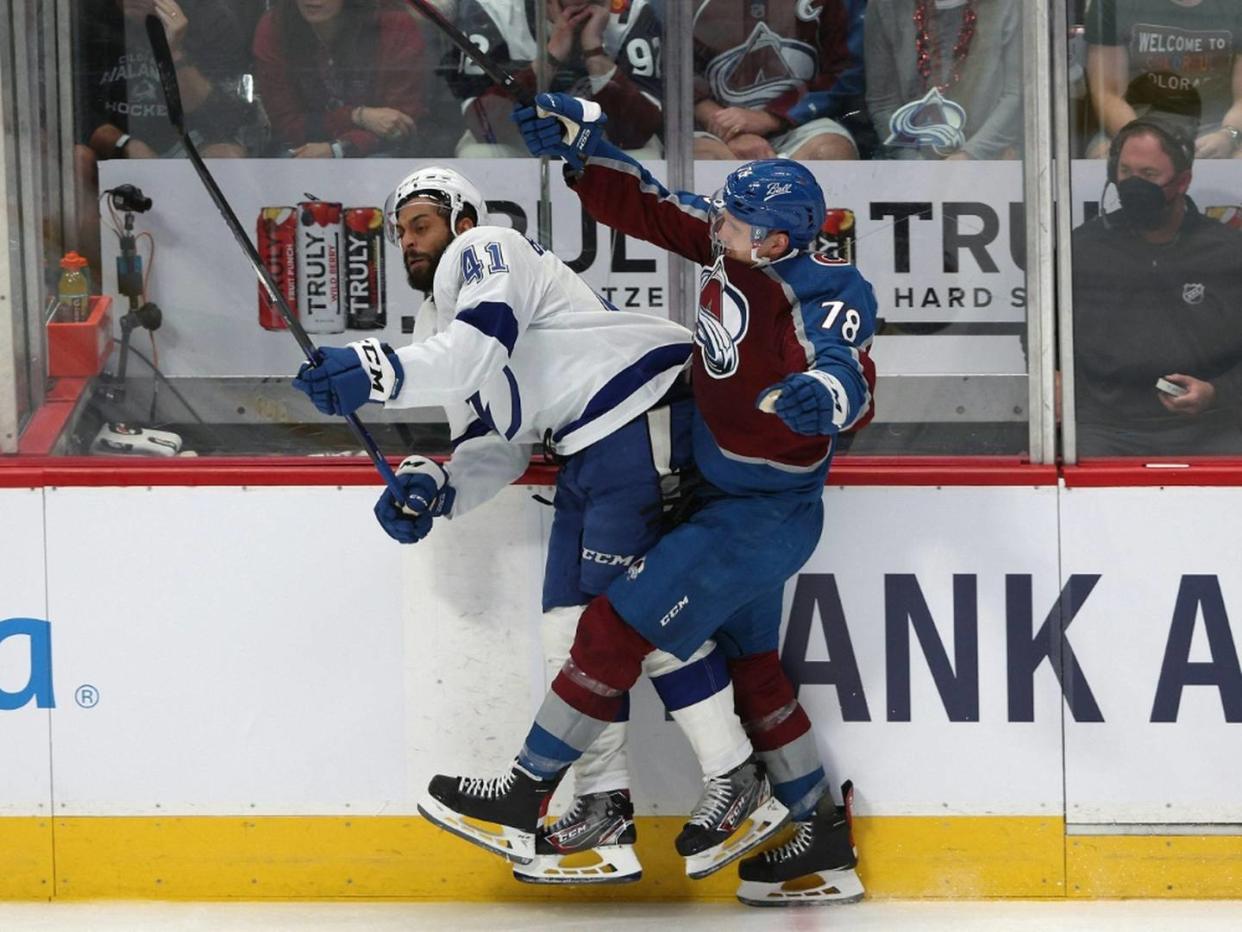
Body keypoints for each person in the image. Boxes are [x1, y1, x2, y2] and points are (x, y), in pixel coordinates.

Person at [409, 93, 878, 907]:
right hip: (719, 499)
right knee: (755, 669)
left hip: (757, 519)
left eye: (731, 226)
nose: (715, 228)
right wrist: (585, 151)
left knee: (609, 628)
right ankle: (820, 845)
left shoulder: (822, 288)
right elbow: (658, 207)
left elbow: (849, 362)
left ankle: (528, 791)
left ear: (774, 242)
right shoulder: (739, 245)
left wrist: (826, 396)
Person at [289, 165, 789, 884]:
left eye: (420, 223)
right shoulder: (437, 326)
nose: (408, 241)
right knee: (568, 628)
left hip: (635, 413)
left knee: (637, 624)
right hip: (590, 447)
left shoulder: (488, 248)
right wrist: (434, 489)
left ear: (462, 219)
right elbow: (495, 444)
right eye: (399, 232)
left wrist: (372, 370)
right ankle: (601, 808)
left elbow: (475, 350)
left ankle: (736, 777)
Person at [1072, 116, 1242, 456]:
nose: (1134, 185)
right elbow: (1039, 332)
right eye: (1125, 173)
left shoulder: (1227, 251)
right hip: (1105, 429)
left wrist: (1218, 392)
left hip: (1209, 427)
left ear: (1182, 181)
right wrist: (1058, 376)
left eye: (1149, 175)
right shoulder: (1083, 248)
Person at [444, 0, 665, 157]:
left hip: (600, 137)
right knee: (481, 154)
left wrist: (595, 54)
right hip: (519, 140)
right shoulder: (492, 10)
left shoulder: (634, 14)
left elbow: (639, 133)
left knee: (642, 157)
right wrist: (549, 58)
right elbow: (484, 127)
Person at [691, 0, 867, 160]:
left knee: (831, 151)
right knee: (704, 156)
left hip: (801, 122)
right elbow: (674, 73)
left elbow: (846, 72)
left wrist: (773, 117)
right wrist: (728, 128)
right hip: (714, 125)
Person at [252, 0, 428, 157]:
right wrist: (357, 116)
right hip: (303, 146)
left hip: (378, 148)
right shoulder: (275, 27)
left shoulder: (393, 23)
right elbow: (286, 123)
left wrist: (341, 148)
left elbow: (402, 122)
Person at [1084, 0, 1242, 160]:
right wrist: (1138, 139)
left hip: (1216, 127)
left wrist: (1230, 135)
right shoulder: (1113, 3)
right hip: (1132, 123)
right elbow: (1109, 93)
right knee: (1103, 160)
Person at [865, 0, 1022, 160]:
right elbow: (883, 103)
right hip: (912, 166)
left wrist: (971, 155)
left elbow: (1017, 94)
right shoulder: (886, 6)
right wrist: (915, 164)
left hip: (993, 160)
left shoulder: (1009, 5)